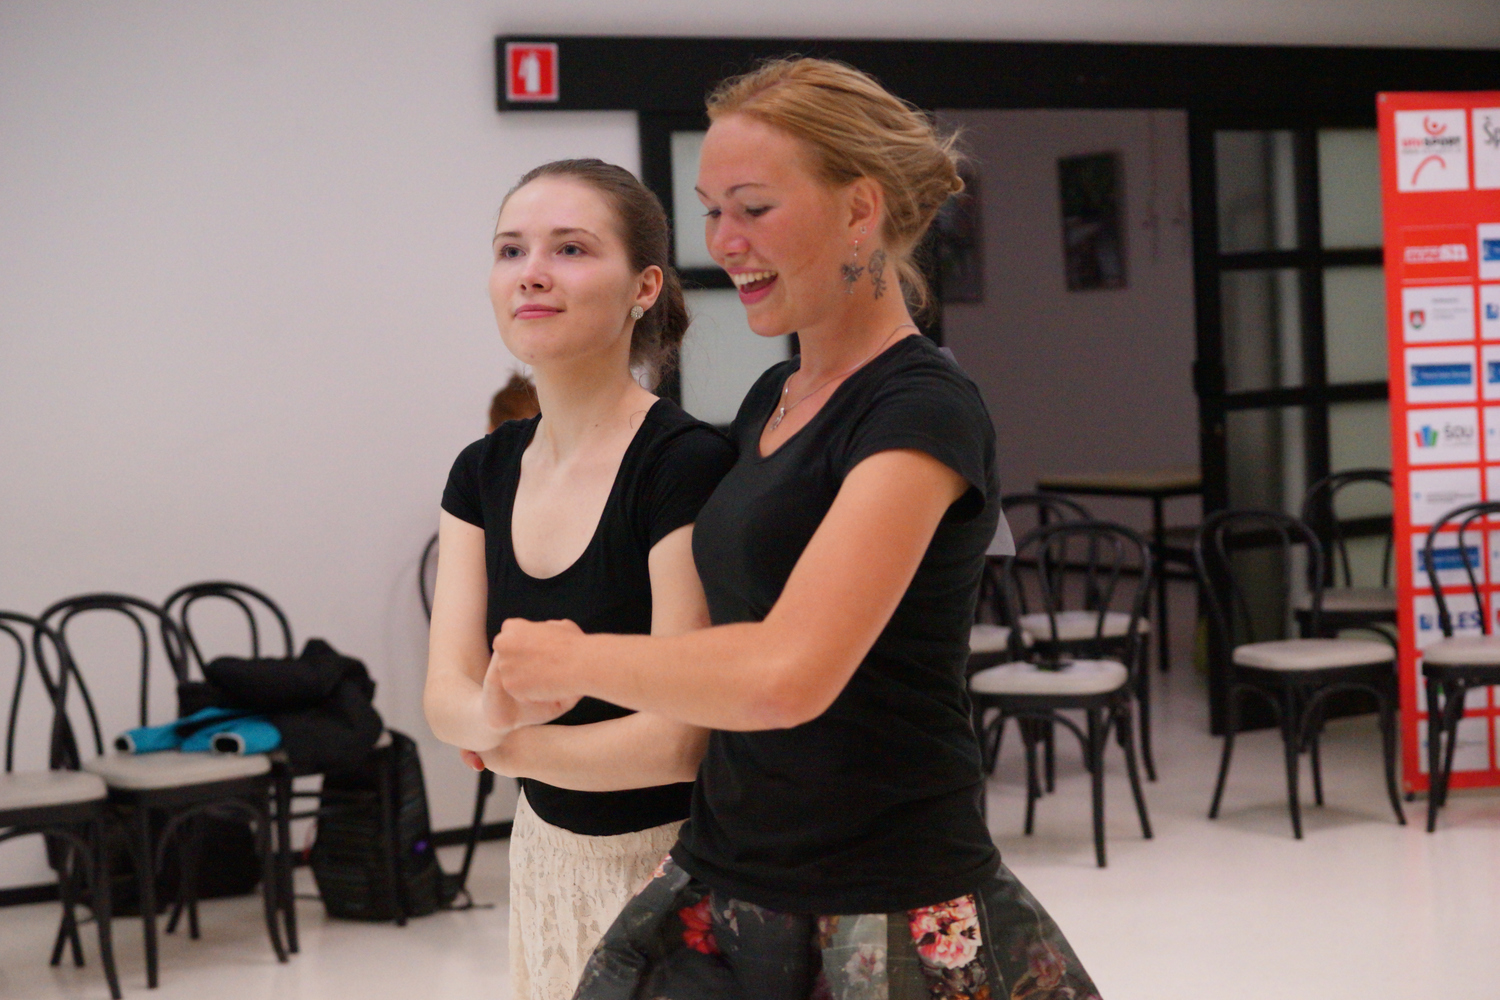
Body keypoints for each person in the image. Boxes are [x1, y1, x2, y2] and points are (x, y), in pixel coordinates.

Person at [487, 59, 1102, 999]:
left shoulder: (921, 409)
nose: (724, 242)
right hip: (727, 869)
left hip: (881, 891)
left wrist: (575, 661)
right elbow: (710, 625)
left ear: (860, 210)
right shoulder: (772, 396)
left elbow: (788, 673)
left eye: (754, 208)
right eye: (711, 211)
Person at [423, 159, 736, 1000]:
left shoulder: (685, 463)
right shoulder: (480, 471)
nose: (531, 272)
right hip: (544, 858)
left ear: (644, 287)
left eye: (569, 249)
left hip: (673, 869)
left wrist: (502, 741)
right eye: (511, 250)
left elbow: (676, 741)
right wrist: (488, 712)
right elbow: (444, 694)